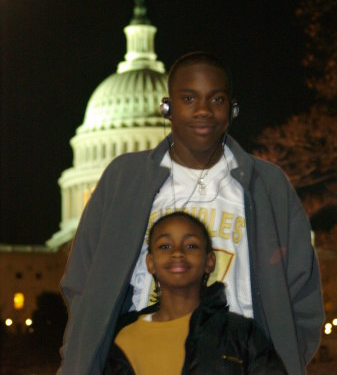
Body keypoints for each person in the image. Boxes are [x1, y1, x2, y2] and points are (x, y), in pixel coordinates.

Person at [58, 51, 324, 375]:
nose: (202, 110)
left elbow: (303, 294)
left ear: (232, 109)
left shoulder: (268, 186)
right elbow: (82, 284)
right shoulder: (123, 179)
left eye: (216, 98)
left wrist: (280, 359)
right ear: (166, 107)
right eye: (188, 97)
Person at [103, 211, 288, 374]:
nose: (177, 253)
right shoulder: (123, 337)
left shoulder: (242, 335)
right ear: (150, 262)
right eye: (165, 246)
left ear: (209, 261)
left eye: (191, 246)